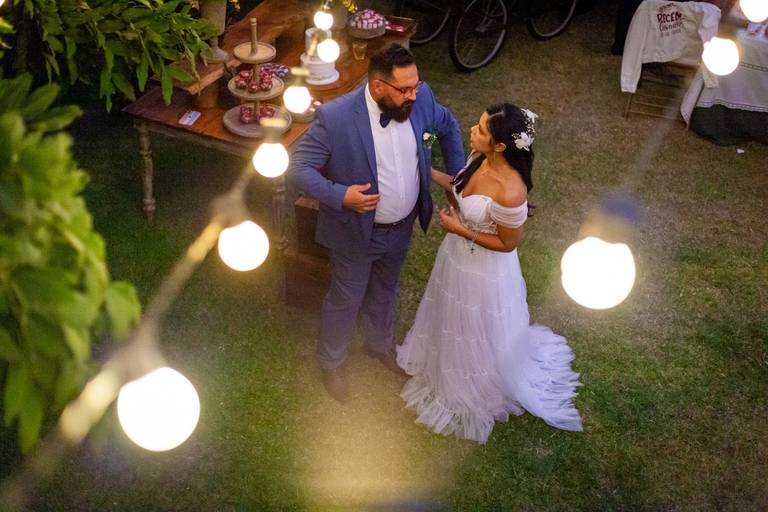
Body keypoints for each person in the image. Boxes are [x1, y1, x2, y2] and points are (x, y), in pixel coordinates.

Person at [288, 44, 465, 403]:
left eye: (416, 86)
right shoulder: (336, 117)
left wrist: (457, 178)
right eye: (405, 89)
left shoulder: (421, 99)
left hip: (401, 227)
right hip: (355, 232)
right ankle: (331, 362)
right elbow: (298, 167)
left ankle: (379, 344)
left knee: (387, 288)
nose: (413, 95)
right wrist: (341, 195)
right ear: (378, 86)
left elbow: (446, 127)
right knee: (346, 297)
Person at [396, 103, 583, 443]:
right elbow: (459, 185)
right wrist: (426, 170)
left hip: (482, 271)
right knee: (451, 314)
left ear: (500, 145)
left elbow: (507, 244)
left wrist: (460, 229)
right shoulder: (479, 157)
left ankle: (472, 382)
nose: (472, 130)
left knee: (475, 324)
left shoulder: (511, 191)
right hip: (455, 258)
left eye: (481, 129)